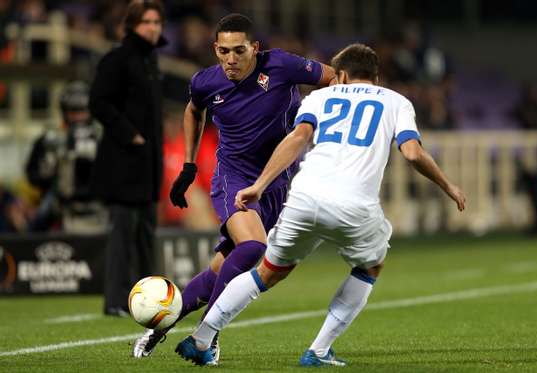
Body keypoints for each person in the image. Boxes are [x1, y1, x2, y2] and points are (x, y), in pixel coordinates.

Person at [173, 43, 466, 366]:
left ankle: (203, 337)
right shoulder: (397, 102)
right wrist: (448, 185)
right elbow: (411, 153)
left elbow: (297, 139)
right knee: (370, 265)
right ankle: (319, 350)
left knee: (267, 272)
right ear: (376, 77)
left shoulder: (319, 97)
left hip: (304, 197)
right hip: (354, 205)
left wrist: (259, 185)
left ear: (340, 75)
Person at [132, 13, 335, 358]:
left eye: (238, 51)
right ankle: (206, 335)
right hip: (234, 179)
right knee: (254, 246)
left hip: (276, 184)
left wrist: (323, 121)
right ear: (215, 49)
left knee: (218, 271)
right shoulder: (205, 82)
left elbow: (333, 77)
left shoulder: (283, 65)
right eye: (223, 51)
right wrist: (189, 165)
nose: (230, 59)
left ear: (255, 48)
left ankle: (160, 326)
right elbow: (193, 111)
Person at [89, 0, 166, 317]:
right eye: (147, 21)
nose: (153, 27)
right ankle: (116, 300)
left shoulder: (151, 60)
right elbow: (99, 102)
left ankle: (146, 298)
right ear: (132, 25)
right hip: (122, 162)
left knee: (146, 233)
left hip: (146, 164)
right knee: (122, 233)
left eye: (157, 22)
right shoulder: (117, 58)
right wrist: (129, 133)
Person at [25, 80, 101, 232]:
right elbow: (33, 174)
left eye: (83, 111)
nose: (79, 117)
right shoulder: (51, 138)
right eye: (73, 112)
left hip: (100, 203)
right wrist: (51, 166)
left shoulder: (102, 137)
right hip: (60, 202)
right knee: (35, 227)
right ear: (65, 112)